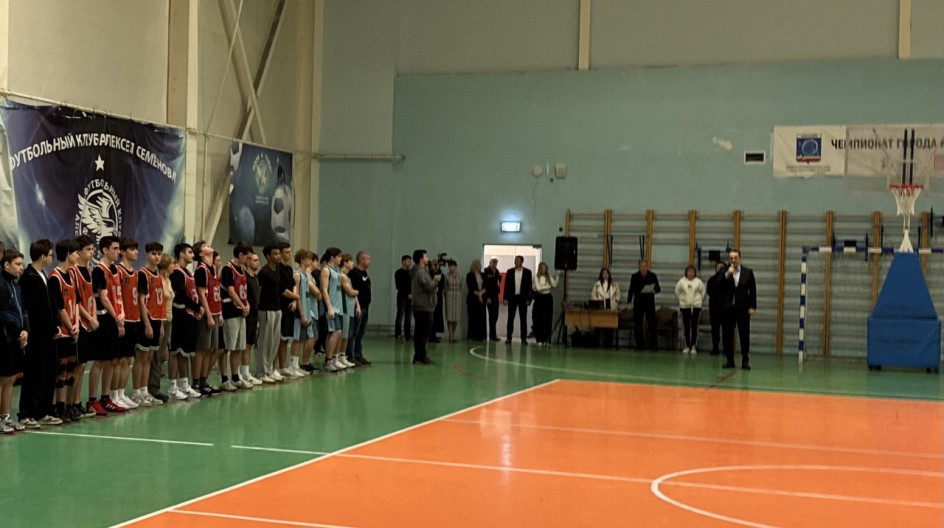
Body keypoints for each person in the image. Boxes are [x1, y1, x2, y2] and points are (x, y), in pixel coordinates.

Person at [18, 239, 60, 428]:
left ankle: (44, 410)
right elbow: (35, 309)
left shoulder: (43, 275)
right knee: (34, 373)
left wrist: (55, 326)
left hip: (48, 334)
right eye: (50, 254)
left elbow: (51, 306)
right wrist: (49, 327)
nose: (52, 258)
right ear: (42, 256)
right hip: (36, 334)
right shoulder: (28, 278)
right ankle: (27, 413)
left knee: (48, 372)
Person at [49, 240, 81, 422]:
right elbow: (59, 308)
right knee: (59, 373)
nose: (77, 255)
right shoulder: (55, 278)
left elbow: (76, 302)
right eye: (75, 253)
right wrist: (70, 326)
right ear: (69, 254)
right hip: (62, 331)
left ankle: (67, 405)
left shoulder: (72, 275)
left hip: (72, 330)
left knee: (70, 371)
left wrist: (76, 325)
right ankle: (57, 407)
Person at [0, 250, 29, 433]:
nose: (21, 268)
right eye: (17, 264)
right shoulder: (1, 285)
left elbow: (22, 311)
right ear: (6, 265)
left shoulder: (16, 286)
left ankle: (6, 416)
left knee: (10, 378)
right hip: (4, 338)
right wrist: (18, 330)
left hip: (16, 338)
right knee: (2, 379)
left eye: (21, 264)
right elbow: (3, 314)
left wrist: (25, 330)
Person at [169, 243, 202, 400]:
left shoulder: (188, 272)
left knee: (185, 353)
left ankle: (184, 384)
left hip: (189, 315)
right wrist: (198, 308)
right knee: (175, 352)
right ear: (181, 254)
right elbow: (181, 296)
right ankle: (172, 387)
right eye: (189, 252)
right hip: (179, 315)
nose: (192, 255)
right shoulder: (176, 272)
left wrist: (196, 310)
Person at [136, 243, 165, 405]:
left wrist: (160, 324)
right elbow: (141, 301)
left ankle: (145, 390)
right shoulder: (143, 274)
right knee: (141, 357)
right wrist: (147, 323)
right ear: (147, 254)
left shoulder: (158, 274)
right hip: (146, 320)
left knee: (149, 357)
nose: (157, 257)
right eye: (154, 253)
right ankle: (137, 392)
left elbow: (159, 302)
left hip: (156, 319)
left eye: (159, 254)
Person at [720, 249, 756, 370]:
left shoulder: (748, 272)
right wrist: (727, 274)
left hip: (743, 308)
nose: (733, 260)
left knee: (744, 335)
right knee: (727, 335)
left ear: (739, 258)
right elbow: (718, 285)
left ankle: (745, 360)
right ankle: (730, 360)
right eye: (731, 258)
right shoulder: (724, 271)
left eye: (735, 258)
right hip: (728, 309)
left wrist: (752, 306)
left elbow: (753, 291)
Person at [222, 243, 252, 388]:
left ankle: (236, 376)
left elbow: (243, 290)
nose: (248, 260)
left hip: (241, 312)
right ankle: (224, 378)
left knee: (239, 347)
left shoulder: (243, 269)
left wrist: (247, 304)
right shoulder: (228, 269)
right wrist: (241, 305)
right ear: (240, 255)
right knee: (228, 347)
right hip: (230, 311)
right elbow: (231, 291)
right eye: (247, 257)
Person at [148, 254, 174, 401]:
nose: (174, 266)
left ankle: (154, 385)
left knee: (162, 355)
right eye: (172, 264)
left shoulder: (168, 280)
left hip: (169, 319)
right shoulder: (158, 280)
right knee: (156, 355)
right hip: (161, 320)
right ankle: (152, 387)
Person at [257, 245, 285, 381]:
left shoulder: (278, 270)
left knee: (274, 342)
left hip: (277, 308)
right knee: (265, 342)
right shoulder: (264, 272)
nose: (278, 256)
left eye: (279, 253)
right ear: (268, 256)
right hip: (266, 309)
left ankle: (269, 369)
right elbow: (258, 291)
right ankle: (261, 372)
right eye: (275, 254)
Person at [320, 247, 349, 372]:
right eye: (339, 256)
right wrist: (329, 307)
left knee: (337, 333)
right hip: (332, 306)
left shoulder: (336, 270)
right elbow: (324, 290)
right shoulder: (326, 270)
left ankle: (333, 358)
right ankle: (328, 360)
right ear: (332, 257)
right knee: (335, 332)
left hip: (339, 307)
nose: (340, 259)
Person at [410, 249, 439, 364]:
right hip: (423, 306)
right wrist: (435, 280)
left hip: (422, 305)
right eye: (426, 257)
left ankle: (421, 355)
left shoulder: (420, 271)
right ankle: (419, 356)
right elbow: (428, 287)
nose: (428, 259)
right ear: (421, 259)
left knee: (421, 333)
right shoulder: (421, 272)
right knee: (422, 333)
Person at [627, 259, 660, 350]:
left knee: (652, 323)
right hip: (638, 303)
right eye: (641, 266)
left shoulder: (652, 276)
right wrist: (629, 302)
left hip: (649, 302)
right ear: (639, 267)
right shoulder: (635, 276)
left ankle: (653, 345)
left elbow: (658, 288)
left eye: (645, 266)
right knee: (638, 324)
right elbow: (631, 290)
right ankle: (639, 345)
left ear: (647, 266)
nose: (643, 268)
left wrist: (654, 291)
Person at [346, 251, 371, 365]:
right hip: (357, 307)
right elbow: (353, 291)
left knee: (361, 332)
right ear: (361, 259)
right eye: (368, 259)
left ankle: (358, 354)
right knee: (353, 332)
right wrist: (357, 305)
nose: (369, 261)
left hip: (365, 307)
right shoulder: (354, 273)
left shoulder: (364, 273)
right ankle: (350, 355)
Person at [675, 265, 705, 355]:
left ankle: (693, 346)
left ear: (694, 273)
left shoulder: (698, 282)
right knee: (686, 326)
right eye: (689, 271)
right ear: (686, 272)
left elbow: (703, 292)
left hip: (696, 307)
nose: (690, 273)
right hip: (685, 307)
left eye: (692, 271)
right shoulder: (681, 281)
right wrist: (682, 300)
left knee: (694, 326)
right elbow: (677, 292)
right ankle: (687, 346)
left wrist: (698, 301)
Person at [503, 256, 533, 344]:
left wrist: (529, 299)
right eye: (515, 260)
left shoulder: (527, 272)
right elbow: (506, 286)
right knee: (510, 318)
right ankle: (509, 337)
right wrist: (505, 298)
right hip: (512, 298)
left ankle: (523, 338)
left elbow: (529, 287)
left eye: (518, 260)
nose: (516, 262)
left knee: (523, 319)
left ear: (522, 262)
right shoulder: (510, 272)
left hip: (523, 298)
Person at [532, 262, 561, 346]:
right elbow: (538, 288)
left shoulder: (549, 277)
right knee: (538, 318)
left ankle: (546, 339)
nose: (544, 270)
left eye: (545, 268)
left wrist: (557, 276)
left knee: (547, 318)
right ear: (540, 269)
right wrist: (549, 286)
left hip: (548, 298)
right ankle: (539, 339)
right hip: (539, 298)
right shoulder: (536, 277)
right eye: (542, 268)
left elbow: (554, 284)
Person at [590, 267, 620, 347]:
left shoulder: (614, 284)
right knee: (598, 325)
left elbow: (618, 295)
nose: (605, 275)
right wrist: (597, 302)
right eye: (604, 273)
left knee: (610, 326)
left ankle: (608, 344)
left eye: (607, 273)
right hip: (600, 307)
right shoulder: (597, 285)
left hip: (611, 307)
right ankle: (595, 343)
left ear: (609, 275)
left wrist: (616, 301)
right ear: (601, 275)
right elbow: (593, 295)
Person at [704, 261, 726, 356]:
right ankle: (715, 348)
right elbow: (709, 292)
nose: (720, 269)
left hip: (725, 309)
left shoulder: (728, 279)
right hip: (714, 308)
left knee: (726, 330)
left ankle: (726, 349)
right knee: (715, 329)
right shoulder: (711, 280)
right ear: (715, 268)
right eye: (718, 267)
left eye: (722, 267)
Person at [465, 260, 486, 342]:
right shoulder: (469, 275)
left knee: (480, 318)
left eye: (479, 264)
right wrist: (478, 294)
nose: (478, 266)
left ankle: (480, 336)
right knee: (472, 318)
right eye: (476, 264)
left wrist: (481, 293)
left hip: (482, 298)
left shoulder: (483, 275)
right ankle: (471, 336)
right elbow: (470, 286)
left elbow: (486, 285)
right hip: (472, 299)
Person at [394, 255, 412, 341]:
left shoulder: (411, 273)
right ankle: (398, 334)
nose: (409, 263)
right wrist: (407, 294)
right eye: (408, 261)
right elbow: (399, 286)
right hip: (402, 297)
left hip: (411, 298)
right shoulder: (398, 273)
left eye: (410, 261)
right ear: (403, 261)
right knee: (400, 315)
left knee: (408, 317)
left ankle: (407, 335)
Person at [443, 260, 462, 343]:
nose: (451, 268)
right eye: (449, 266)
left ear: (455, 266)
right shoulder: (446, 276)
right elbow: (444, 287)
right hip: (449, 296)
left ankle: (453, 334)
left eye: (452, 266)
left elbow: (461, 286)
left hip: (457, 296)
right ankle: (450, 335)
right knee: (450, 317)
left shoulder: (460, 276)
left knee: (456, 317)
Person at [483, 258, 501, 341]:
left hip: (495, 296)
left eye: (496, 263)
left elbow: (497, 283)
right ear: (490, 263)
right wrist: (487, 297)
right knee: (492, 316)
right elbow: (485, 285)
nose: (495, 264)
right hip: (489, 297)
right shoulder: (486, 271)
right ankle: (492, 335)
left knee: (495, 315)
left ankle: (493, 334)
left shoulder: (497, 271)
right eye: (493, 262)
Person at [428, 259, 445, 343]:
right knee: (431, 316)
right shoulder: (428, 274)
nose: (436, 266)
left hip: (438, 296)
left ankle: (434, 334)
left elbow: (442, 285)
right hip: (430, 296)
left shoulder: (441, 274)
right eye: (434, 265)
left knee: (437, 316)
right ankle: (430, 335)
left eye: (437, 264)